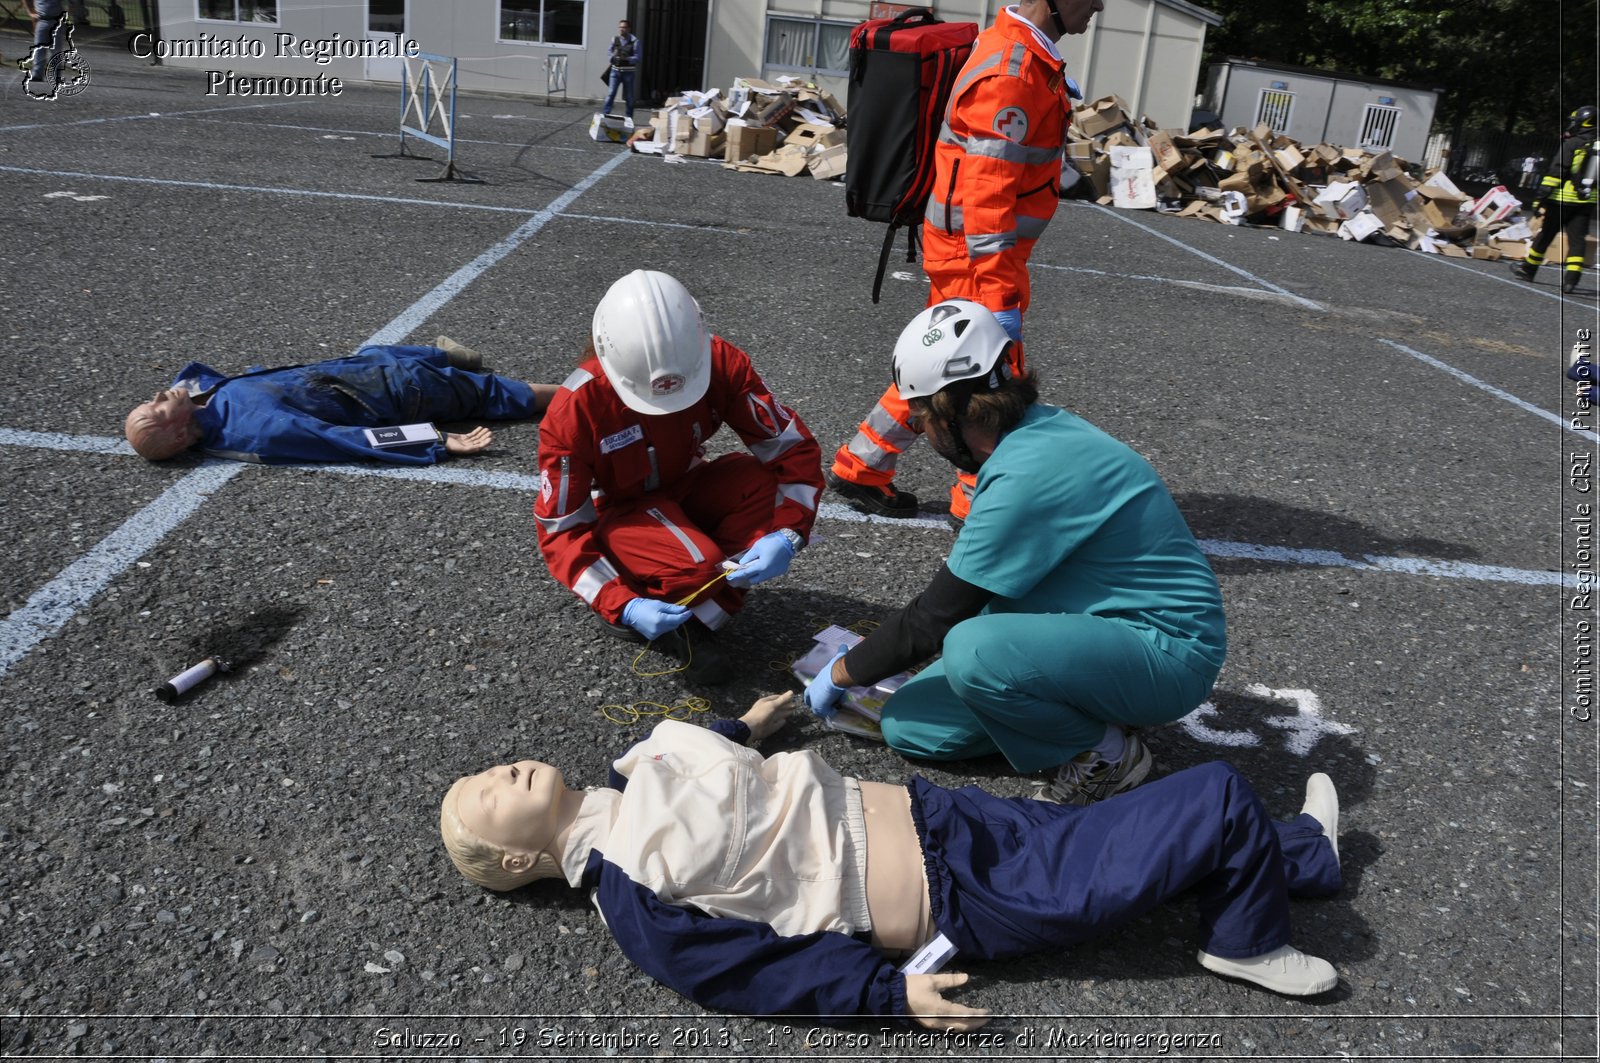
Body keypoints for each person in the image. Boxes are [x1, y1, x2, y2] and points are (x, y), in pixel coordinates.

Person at [438, 693, 1343, 1030]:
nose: (497, 769)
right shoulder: (633, 894)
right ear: (520, 855)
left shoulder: (627, 785)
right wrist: (888, 994)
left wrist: (750, 725)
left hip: (942, 820)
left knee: (1110, 844)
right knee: (1212, 794)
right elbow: (744, 973)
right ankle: (1244, 939)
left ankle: (1293, 857)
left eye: (482, 769)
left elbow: (701, 766)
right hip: (965, 894)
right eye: (487, 790)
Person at [806, 301, 1226, 805]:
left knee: (972, 650)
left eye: (920, 419)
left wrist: (838, 673)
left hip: (1166, 649)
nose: (923, 432)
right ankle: (1079, 705)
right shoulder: (1030, 434)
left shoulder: (1031, 470)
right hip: (1094, 622)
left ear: (950, 411)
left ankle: (1108, 754)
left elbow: (936, 617)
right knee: (910, 726)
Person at [827, 0, 1100, 526]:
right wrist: (998, 293)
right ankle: (977, 506)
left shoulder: (1022, 58)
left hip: (970, 250)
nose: (1098, 5)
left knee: (946, 370)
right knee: (992, 384)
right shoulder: (1014, 70)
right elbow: (986, 194)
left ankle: (861, 466)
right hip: (978, 256)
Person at [534, 270, 824, 684]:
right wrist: (619, 602)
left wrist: (789, 533)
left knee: (756, 484)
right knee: (698, 566)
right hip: (621, 511)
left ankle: (692, 614)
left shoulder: (721, 362)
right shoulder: (574, 411)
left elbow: (791, 449)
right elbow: (561, 527)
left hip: (686, 485)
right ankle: (645, 594)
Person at [124, 338, 557, 465]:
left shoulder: (206, 403)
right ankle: (587, 392)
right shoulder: (257, 428)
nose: (160, 395)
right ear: (180, 433)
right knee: (501, 394)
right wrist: (435, 441)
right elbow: (346, 439)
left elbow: (204, 386)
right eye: (157, 408)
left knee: (385, 350)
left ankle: (451, 355)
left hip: (360, 371)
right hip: (400, 391)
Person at [1510, 105, 1597, 296]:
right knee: (1577, 241)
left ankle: (1528, 270)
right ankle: (1571, 282)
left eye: (1575, 121)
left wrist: (1540, 198)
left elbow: (1557, 171)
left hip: (1561, 200)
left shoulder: (1573, 143)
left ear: (1584, 122)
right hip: (1586, 202)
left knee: (1546, 235)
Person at [601, 18, 641, 119]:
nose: (621, 29)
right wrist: (613, 57)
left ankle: (629, 118)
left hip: (628, 73)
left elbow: (638, 57)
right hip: (615, 72)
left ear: (629, 29)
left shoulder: (635, 41)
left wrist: (627, 59)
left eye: (624, 27)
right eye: (620, 27)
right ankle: (605, 115)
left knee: (629, 97)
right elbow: (609, 52)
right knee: (610, 94)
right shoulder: (614, 39)